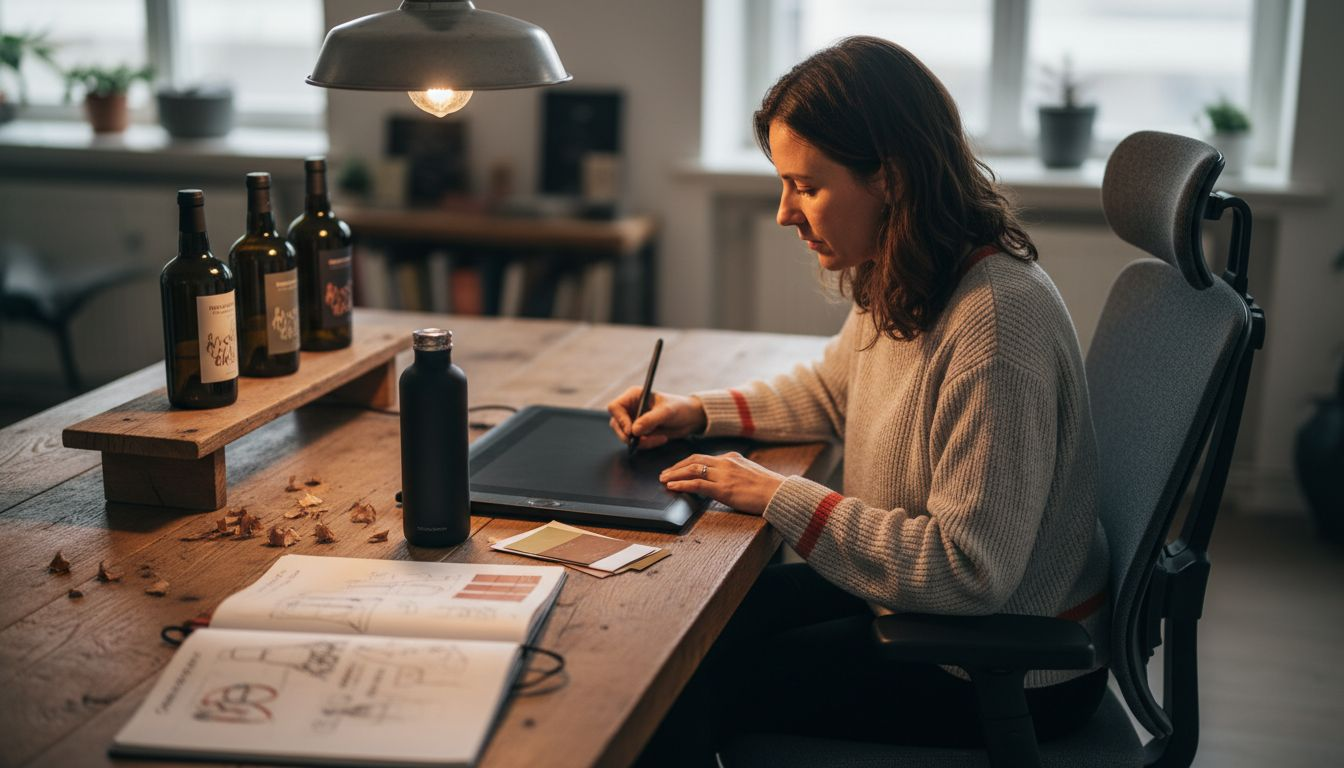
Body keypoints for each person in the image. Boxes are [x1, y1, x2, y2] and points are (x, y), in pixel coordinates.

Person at [608, 36, 1111, 765]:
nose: (784, 213)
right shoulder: (911, 268)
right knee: (677, 629)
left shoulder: (996, 325)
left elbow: (969, 569)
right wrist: (698, 412)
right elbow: (835, 387)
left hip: (996, 665)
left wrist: (780, 496)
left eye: (805, 186)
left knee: (684, 683)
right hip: (918, 611)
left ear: (892, 180)